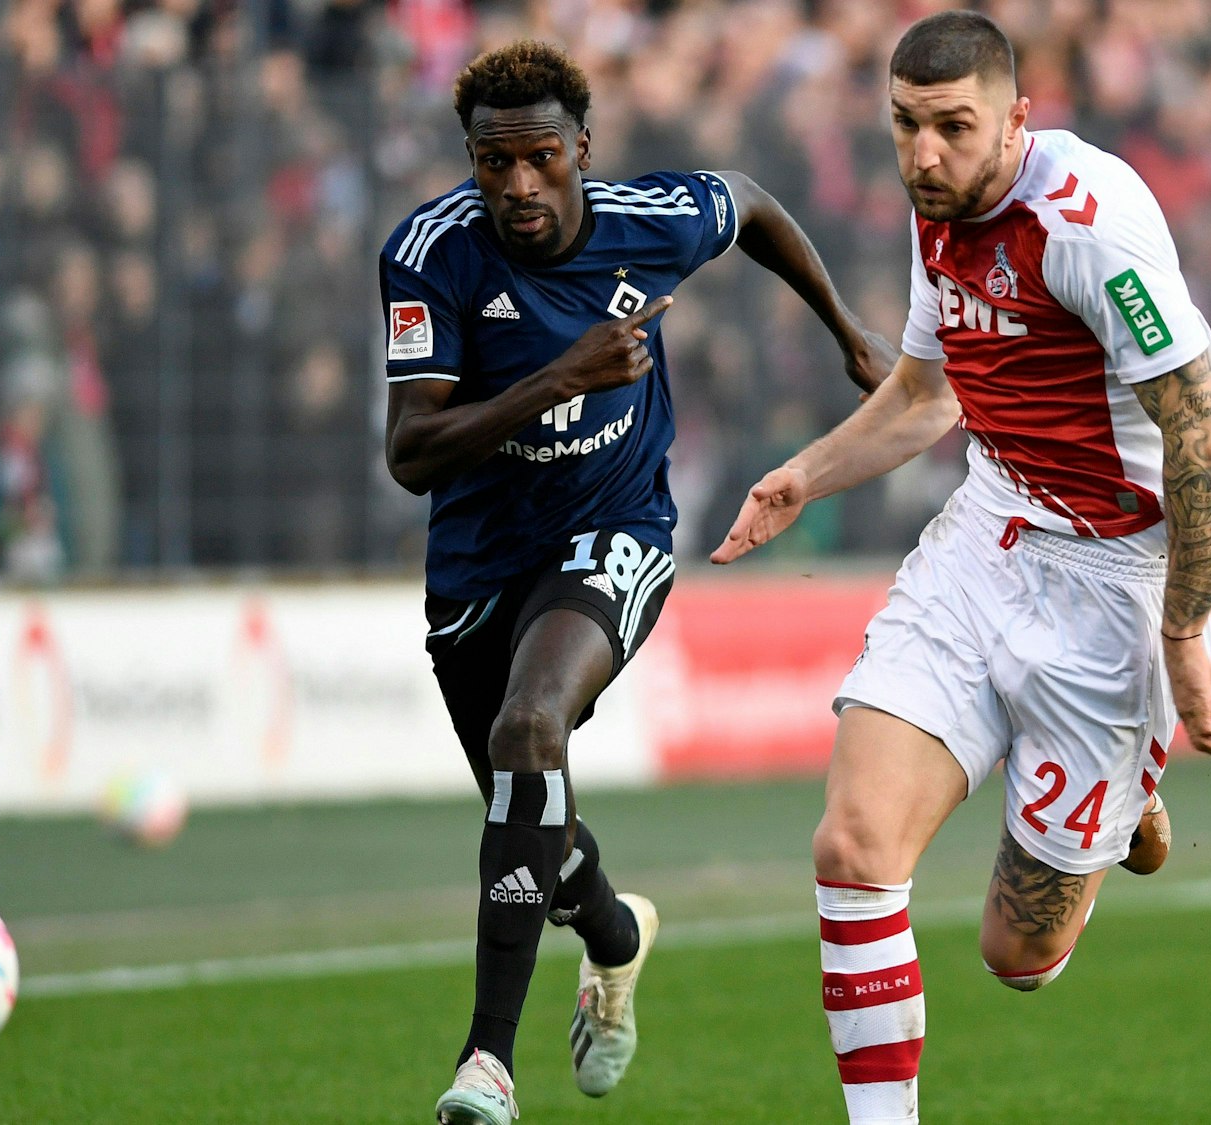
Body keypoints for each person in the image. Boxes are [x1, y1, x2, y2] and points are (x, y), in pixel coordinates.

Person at [712, 13, 1211, 1124]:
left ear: (1015, 117)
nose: (920, 155)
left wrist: (1184, 632)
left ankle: (1120, 793)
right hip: (985, 538)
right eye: (903, 126)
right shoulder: (935, 209)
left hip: (1115, 586)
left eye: (950, 128)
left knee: (1018, 958)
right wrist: (804, 475)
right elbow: (924, 394)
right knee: (854, 844)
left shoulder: (1085, 225)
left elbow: (1200, 434)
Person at [379, 40, 892, 1125]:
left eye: (541, 157)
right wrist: (559, 377)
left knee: (530, 732)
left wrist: (846, 334)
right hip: (477, 564)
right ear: (469, 159)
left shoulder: (649, 218)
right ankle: (612, 939)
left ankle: (486, 1065)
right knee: (538, 828)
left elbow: (748, 202)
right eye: (492, 161)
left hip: (615, 528)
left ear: (581, 150)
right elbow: (412, 452)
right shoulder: (428, 255)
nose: (518, 184)